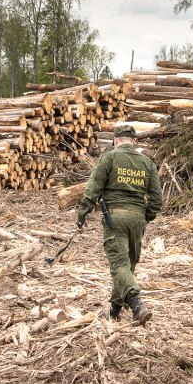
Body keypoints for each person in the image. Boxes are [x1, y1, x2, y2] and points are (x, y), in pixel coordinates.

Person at [76, 123, 162, 325]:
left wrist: (82, 213)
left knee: (119, 265)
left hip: (115, 218)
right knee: (127, 266)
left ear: (115, 141)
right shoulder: (147, 163)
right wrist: (145, 217)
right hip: (137, 218)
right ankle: (114, 310)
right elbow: (157, 199)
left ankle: (137, 304)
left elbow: (93, 188)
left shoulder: (109, 157)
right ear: (135, 142)